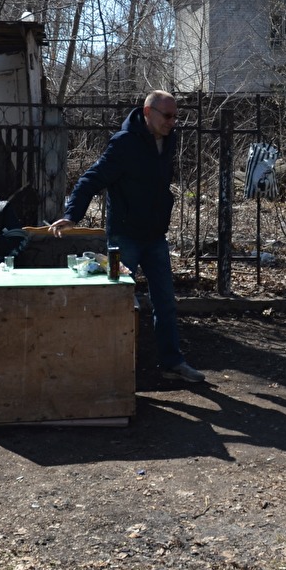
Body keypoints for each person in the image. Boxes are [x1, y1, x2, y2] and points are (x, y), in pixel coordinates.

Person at [49, 90, 205, 383]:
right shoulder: (124, 143)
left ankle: (172, 363)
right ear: (148, 112)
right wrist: (72, 215)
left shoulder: (169, 139)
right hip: (125, 238)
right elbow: (91, 179)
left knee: (166, 302)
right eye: (168, 116)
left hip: (155, 236)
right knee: (118, 301)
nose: (173, 122)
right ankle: (109, 366)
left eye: (176, 116)